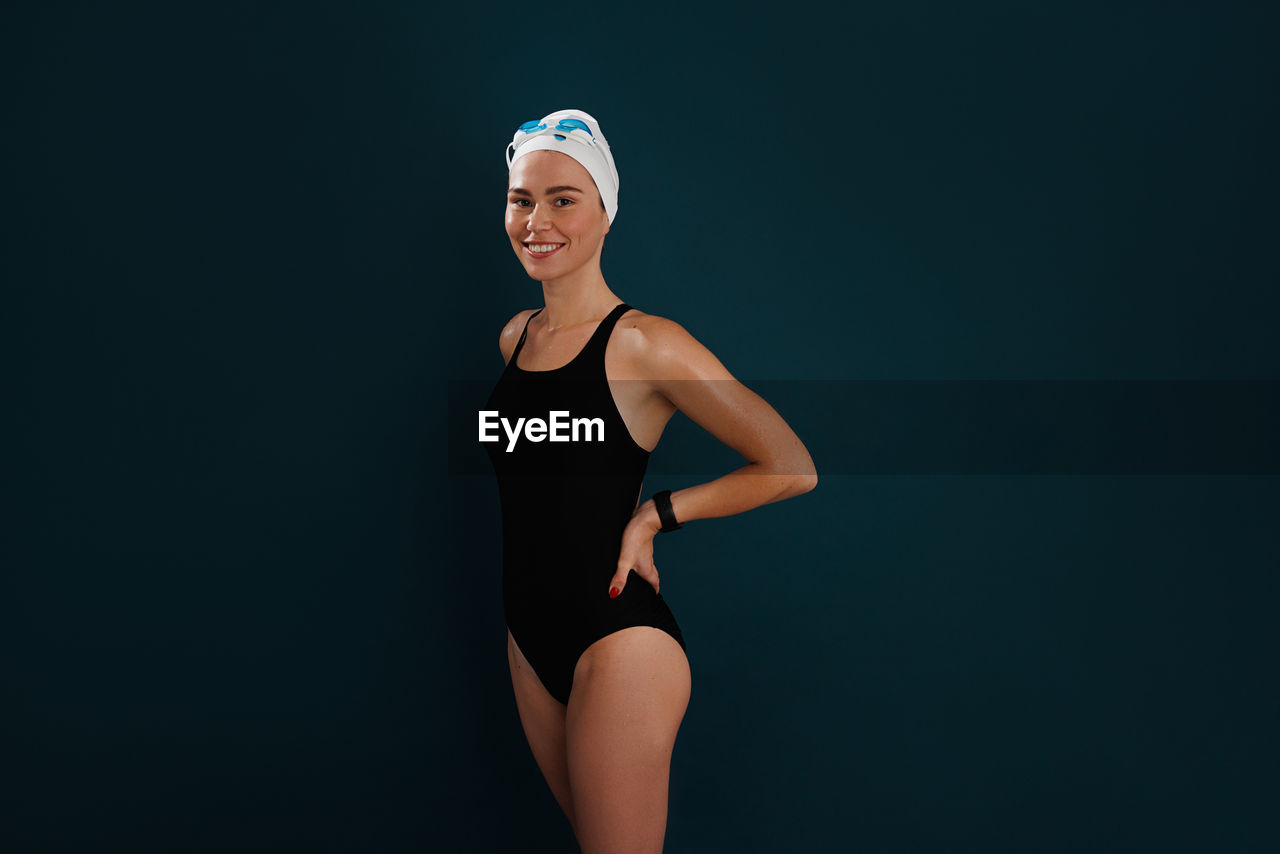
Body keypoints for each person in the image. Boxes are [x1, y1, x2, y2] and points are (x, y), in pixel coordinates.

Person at [482, 108, 817, 854]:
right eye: (521, 199)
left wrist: (655, 517)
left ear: (606, 212)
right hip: (528, 638)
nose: (537, 220)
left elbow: (791, 464)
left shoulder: (641, 344)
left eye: (564, 199)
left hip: (620, 641)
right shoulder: (515, 338)